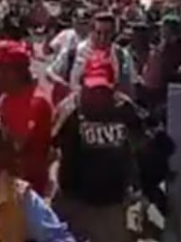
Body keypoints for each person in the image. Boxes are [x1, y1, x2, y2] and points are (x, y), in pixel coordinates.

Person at [52, 56, 149, 242]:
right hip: (75, 198)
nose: (98, 95)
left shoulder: (124, 108)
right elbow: (52, 146)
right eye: (92, 89)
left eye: (103, 90)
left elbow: (141, 142)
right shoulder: (70, 110)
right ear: (82, 85)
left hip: (112, 201)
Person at [0, 40, 53, 197]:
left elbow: (16, 146)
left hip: (27, 190)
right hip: (6, 185)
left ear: (16, 72)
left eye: (0, 69)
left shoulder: (35, 102)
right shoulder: (6, 97)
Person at [47, 10, 137, 102]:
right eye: (98, 33)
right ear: (91, 31)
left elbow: (131, 88)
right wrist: (63, 85)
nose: (102, 38)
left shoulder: (122, 55)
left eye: (107, 33)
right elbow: (50, 72)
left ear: (113, 33)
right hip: (78, 105)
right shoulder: (74, 52)